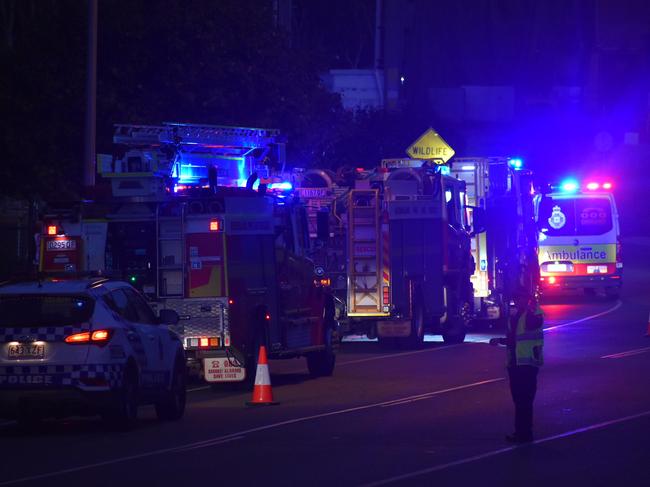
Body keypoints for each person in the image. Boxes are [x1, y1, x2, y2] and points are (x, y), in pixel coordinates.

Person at [490, 288, 544, 443]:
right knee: (518, 401)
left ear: (527, 299)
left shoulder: (533, 313)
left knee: (525, 401)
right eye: (517, 298)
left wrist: (532, 305)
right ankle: (520, 432)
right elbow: (514, 339)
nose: (518, 301)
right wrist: (499, 341)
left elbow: (533, 324)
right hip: (515, 364)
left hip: (527, 365)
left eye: (521, 298)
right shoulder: (515, 317)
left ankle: (525, 433)